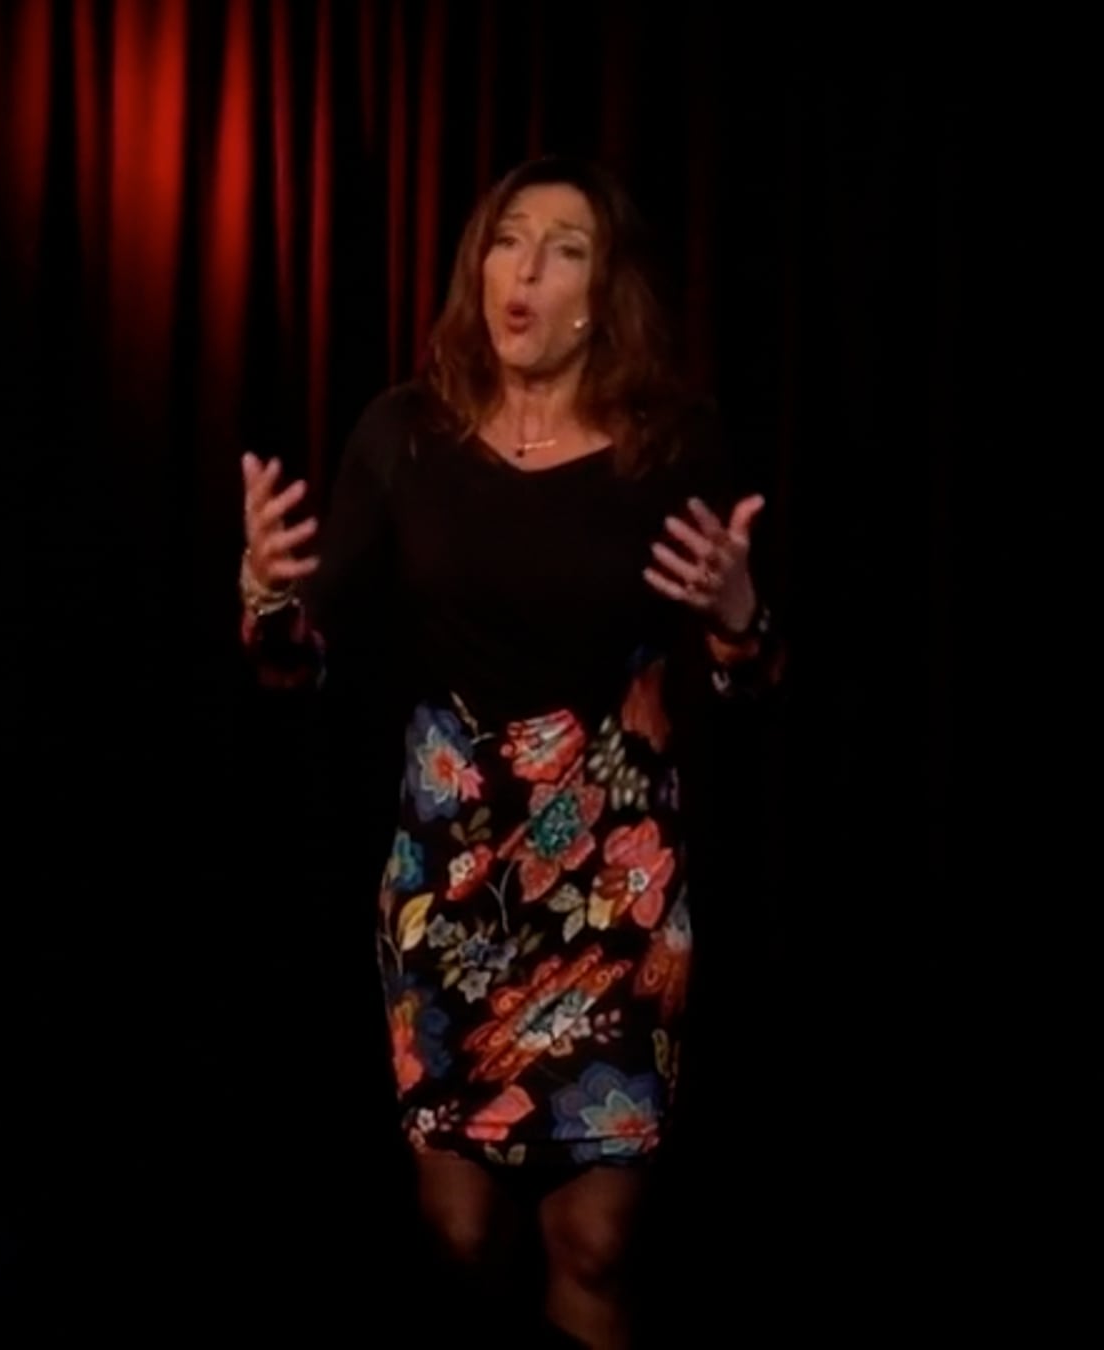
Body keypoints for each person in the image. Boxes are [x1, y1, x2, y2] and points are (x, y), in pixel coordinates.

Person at [236, 155, 786, 1347]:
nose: (525, 268)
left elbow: (749, 689)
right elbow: (301, 664)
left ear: (602, 293)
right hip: (450, 880)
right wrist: (268, 595)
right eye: (507, 238)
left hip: (614, 883)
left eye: (565, 248)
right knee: (461, 1232)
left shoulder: (669, 445)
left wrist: (740, 621)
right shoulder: (405, 433)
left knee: (596, 1241)